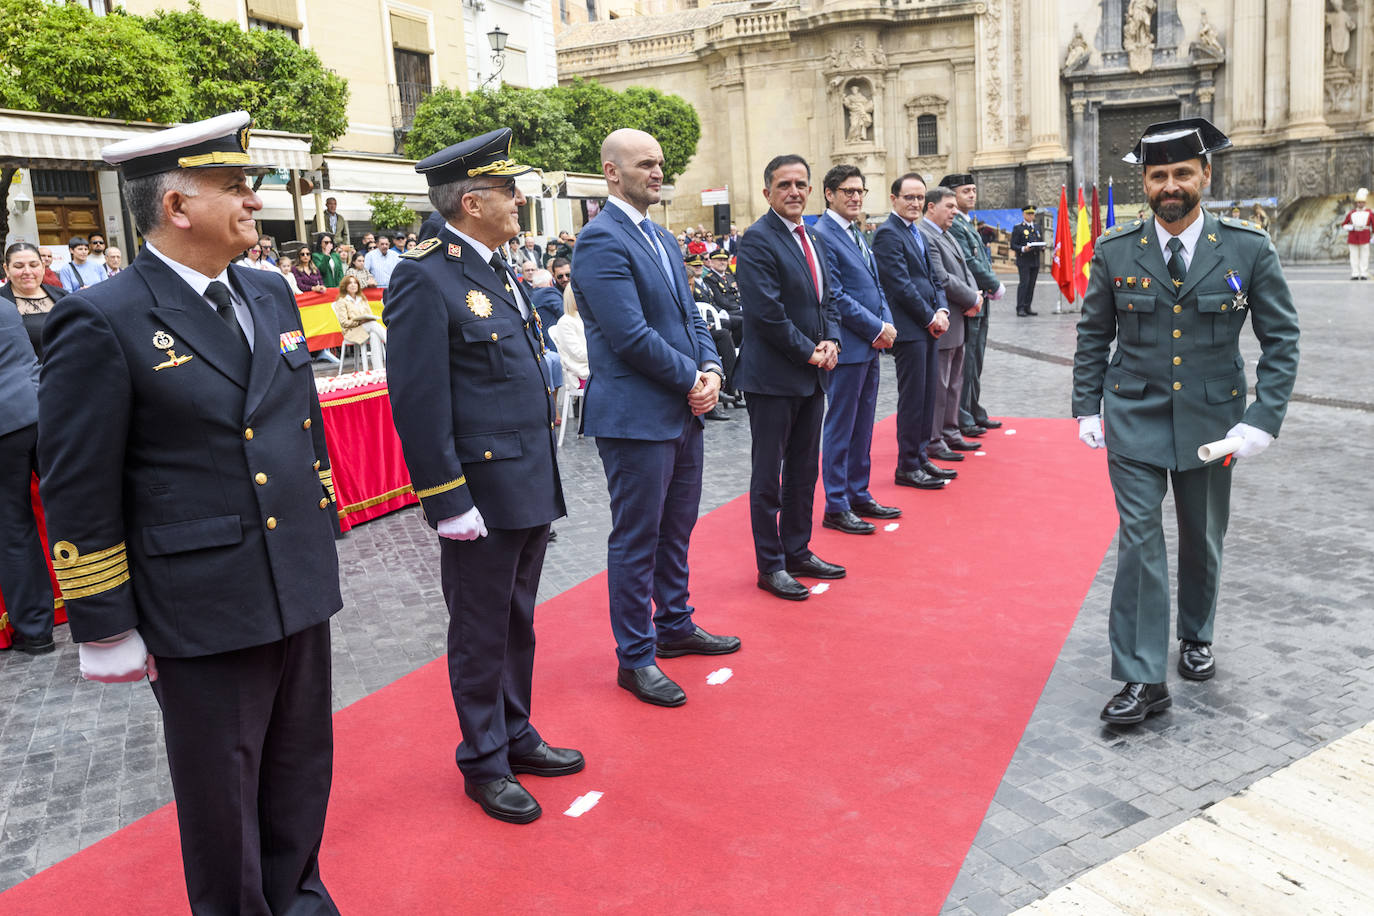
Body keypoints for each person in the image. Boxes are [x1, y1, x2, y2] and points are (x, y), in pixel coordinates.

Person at [38, 111, 344, 912]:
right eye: (235, 189)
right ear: (177, 208)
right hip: (201, 598)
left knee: (302, 764)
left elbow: (296, 418)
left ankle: (301, 898)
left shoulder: (271, 291)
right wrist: (103, 620)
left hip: (294, 576)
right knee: (223, 794)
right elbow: (77, 481)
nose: (254, 202)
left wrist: (320, 517)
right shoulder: (102, 316)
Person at [1072, 117, 1300, 726]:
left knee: (1202, 535)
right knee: (1140, 540)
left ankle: (1196, 634)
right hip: (1133, 416)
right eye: (1157, 176)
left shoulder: (1248, 248)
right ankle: (1143, 678)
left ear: (1205, 175)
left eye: (1180, 173)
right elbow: (1094, 335)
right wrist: (1085, 406)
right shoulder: (1118, 251)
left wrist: (1263, 417)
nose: (1169, 186)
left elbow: (1281, 338)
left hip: (1213, 422)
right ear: (1145, 184)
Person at [384, 127, 580, 825]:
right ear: (471, 202)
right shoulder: (424, 276)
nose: (519, 199)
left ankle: (517, 732)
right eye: (507, 191)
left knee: (517, 621)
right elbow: (416, 399)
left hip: (526, 479)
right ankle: (485, 759)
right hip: (481, 492)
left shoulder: (495, 266)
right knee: (479, 628)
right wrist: (447, 500)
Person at [571, 127, 740, 707]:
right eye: (645, 164)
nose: (657, 173)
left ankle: (674, 624)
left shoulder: (663, 240)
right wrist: (692, 378)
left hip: (680, 410)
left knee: (677, 529)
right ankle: (635, 657)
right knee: (637, 538)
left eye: (660, 164)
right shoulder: (600, 240)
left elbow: (693, 318)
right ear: (612, 172)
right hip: (635, 417)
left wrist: (713, 370)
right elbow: (629, 335)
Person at [733, 154, 845, 602]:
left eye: (801, 184)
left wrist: (833, 340)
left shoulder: (814, 238)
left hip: (813, 375)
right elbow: (766, 311)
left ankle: (797, 549)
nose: (794, 191)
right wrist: (810, 351)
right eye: (784, 185)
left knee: (803, 471)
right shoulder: (756, 240)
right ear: (768, 193)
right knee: (768, 478)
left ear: (811, 189)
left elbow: (829, 299)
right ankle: (771, 564)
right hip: (772, 379)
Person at [812, 164, 901, 536]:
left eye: (860, 191)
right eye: (847, 191)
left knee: (863, 425)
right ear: (829, 194)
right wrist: (876, 326)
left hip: (869, 345)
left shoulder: (856, 232)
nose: (855, 197)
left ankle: (858, 492)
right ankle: (836, 503)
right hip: (847, 346)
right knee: (841, 426)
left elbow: (875, 285)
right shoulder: (823, 234)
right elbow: (835, 295)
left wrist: (886, 323)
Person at [872, 173, 954, 491]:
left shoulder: (916, 232)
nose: (915, 203)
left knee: (927, 395)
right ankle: (907, 464)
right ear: (894, 199)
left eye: (920, 198)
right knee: (912, 399)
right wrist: (929, 317)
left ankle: (920, 456)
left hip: (929, 325)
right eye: (909, 197)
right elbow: (900, 285)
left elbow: (933, 277)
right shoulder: (887, 234)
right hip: (910, 329)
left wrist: (943, 309)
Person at [0, 250, 51, 656]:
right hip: (39, 411)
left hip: (6, 428)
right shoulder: (4, 306)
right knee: (72, 511)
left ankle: (35, 631)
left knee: (13, 526)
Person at [917, 187, 983, 463]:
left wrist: (976, 295)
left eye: (955, 207)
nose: (955, 211)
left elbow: (965, 270)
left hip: (959, 317)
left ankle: (951, 429)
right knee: (940, 383)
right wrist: (972, 298)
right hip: (943, 320)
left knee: (955, 380)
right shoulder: (925, 234)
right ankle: (934, 439)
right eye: (949, 206)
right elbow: (941, 278)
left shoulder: (947, 234)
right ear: (931, 207)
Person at [939, 172, 1006, 437]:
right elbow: (970, 262)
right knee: (967, 363)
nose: (971, 195)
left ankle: (973, 408)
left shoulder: (965, 222)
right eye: (965, 191)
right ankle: (963, 414)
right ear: (951, 194)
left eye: (973, 190)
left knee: (976, 359)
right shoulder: (955, 224)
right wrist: (993, 284)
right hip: (970, 300)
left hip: (980, 299)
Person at [684, 253, 735, 420]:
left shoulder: (704, 285)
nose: (690, 288)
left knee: (728, 333)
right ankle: (722, 391)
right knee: (723, 335)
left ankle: (729, 385)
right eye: (688, 284)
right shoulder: (702, 283)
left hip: (702, 329)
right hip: (689, 338)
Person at [2, 242, 68, 359]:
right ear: (7, 269)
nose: (27, 271)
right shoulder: (2, 301)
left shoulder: (62, 295)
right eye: (19, 266)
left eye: (33, 265)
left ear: (42, 267)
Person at [333, 275, 386, 370]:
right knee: (373, 325)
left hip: (366, 327)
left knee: (374, 333)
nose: (353, 285)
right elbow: (344, 323)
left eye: (355, 283)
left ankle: (378, 369)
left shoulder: (362, 299)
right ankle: (390, 341)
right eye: (350, 283)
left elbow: (370, 314)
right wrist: (359, 322)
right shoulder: (342, 301)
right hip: (352, 331)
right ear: (345, 286)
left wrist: (368, 319)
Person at [548, 283, 589, 389]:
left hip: (593, 366)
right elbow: (577, 354)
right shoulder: (565, 322)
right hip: (581, 372)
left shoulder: (585, 316)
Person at [703, 248, 744, 348]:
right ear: (711, 262)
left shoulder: (729, 276)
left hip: (736, 309)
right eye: (719, 260)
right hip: (725, 311)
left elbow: (738, 294)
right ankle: (736, 347)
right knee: (745, 319)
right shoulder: (710, 278)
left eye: (724, 260)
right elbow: (720, 300)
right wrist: (738, 308)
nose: (722, 262)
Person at [1010, 206, 1042, 316]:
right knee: (1024, 283)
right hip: (1024, 261)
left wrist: (1042, 246)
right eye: (1028, 214)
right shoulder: (1018, 228)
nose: (1031, 216)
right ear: (1024, 215)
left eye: (1032, 214)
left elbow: (1039, 240)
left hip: (1035, 260)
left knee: (1032, 285)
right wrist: (1023, 249)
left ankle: (1028, 306)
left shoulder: (1037, 227)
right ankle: (1020, 307)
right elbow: (1013, 245)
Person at [1340, 188, 1372, 280]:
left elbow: (1373, 224)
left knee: (1364, 255)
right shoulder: (1351, 213)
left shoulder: (1369, 213)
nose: (1360, 204)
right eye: (1358, 202)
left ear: (1364, 203)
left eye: (1361, 202)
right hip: (1353, 236)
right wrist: (1348, 227)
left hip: (1365, 235)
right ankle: (1355, 273)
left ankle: (1363, 273)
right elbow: (1344, 224)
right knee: (1354, 256)